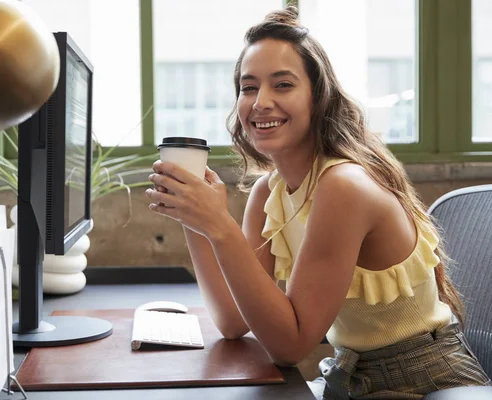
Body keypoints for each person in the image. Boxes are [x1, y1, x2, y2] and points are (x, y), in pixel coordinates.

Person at [145, 5, 490, 399]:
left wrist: (222, 228)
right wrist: (196, 220)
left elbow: (291, 346)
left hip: (425, 381)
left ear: (318, 97)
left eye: (283, 84)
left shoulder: (343, 186)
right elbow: (232, 320)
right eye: (249, 86)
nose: (260, 102)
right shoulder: (268, 192)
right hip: (352, 378)